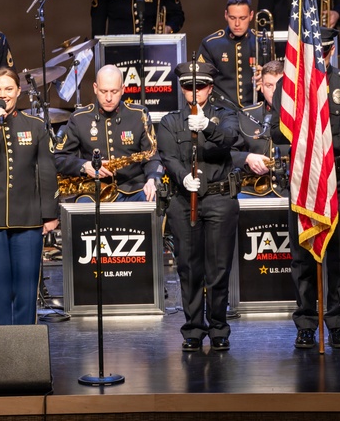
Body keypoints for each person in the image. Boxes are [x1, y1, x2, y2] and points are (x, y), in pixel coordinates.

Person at [272, 29, 340, 349]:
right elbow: (276, 130)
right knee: (302, 258)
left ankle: (338, 323)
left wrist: (325, 144)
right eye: (313, 51)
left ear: (330, 52)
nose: (319, 57)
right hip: (303, 183)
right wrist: (307, 139)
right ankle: (306, 323)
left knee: (339, 259)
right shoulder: (290, 88)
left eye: (323, 51)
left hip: (338, 183)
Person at [0, 68, 59, 325]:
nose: (3, 95)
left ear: (19, 91)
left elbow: (47, 171)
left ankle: (25, 346)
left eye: (8, 89)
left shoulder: (36, 126)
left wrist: (50, 214)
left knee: (27, 290)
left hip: (28, 217)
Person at [157, 62, 240, 351]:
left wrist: (208, 128)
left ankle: (218, 327)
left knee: (218, 269)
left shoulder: (224, 115)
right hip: (184, 200)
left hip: (219, 198)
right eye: (189, 87)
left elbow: (230, 138)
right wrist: (183, 176)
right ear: (182, 89)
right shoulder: (170, 121)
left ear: (210, 87)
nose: (194, 92)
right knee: (189, 268)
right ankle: (193, 327)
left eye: (200, 86)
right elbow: (168, 156)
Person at [54, 64, 162, 202]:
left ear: (123, 89)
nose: (109, 98)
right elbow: (59, 158)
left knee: (152, 198)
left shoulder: (139, 114)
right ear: (95, 88)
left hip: (134, 188)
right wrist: (84, 166)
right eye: (104, 91)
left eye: (114, 91)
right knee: (82, 206)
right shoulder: (79, 118)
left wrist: (152, 179)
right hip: (95, 191)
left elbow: (152, 156)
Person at [196, 0, 261, 109]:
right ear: (226, 15)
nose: (237, 24)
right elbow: (201, 81)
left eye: (242, 18)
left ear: (251, 16)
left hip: (256, 108)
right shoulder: (211, 44)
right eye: (232, 18)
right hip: (221, 111)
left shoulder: (261, 42)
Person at [233, 60, 286, 198]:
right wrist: (247, 158)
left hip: (291, 191)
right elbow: (228, 152)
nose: (275, 91)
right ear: (261, 87)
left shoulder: (304, 116)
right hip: (253, 192)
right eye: (269, 85)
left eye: (280, 85)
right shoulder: (245, 115)